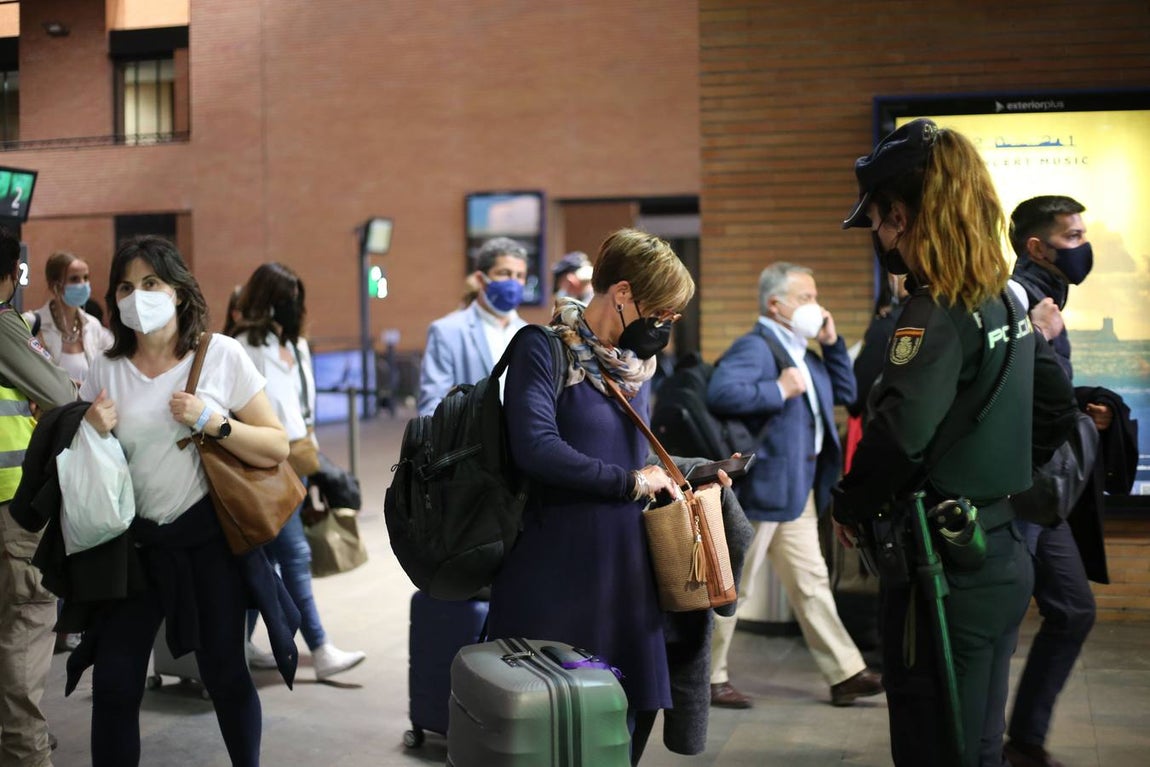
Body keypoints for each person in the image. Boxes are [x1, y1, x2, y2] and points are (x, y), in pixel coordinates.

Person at [832, 119, 1078, 767]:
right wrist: (990, 469)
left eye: (880, 221)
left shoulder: (933, 309)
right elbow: (1054, 405)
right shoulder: (1003, 298)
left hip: (941, 572)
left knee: (935, 745)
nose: (880, 237)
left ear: (903, 215)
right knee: (978, 741)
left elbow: (899, 434)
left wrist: (851, 503)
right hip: (996, 548)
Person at [77, 235, 301, 767]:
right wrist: (86, 427)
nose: (138, 295)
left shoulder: (219, 354)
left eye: (151, 283)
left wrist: (211, 420)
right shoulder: (106, 367)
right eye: (126, 286)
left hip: (208, 542)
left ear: (178, 291)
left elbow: (276, 445)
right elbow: (87, 457)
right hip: (133, 543)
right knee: (113, 682)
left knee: (225, 672)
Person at [487, 228, 694, 765]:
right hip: (558, 574)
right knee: (552, 724)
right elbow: (536, 448)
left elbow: (635, 460)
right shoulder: (544, 348)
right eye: (662, 313)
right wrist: (629, 483)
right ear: (622, 293)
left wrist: (685, 473)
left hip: (626, 572)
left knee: (625, 718)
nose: (665, 328)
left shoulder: (632, 366)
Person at [705, 262, 882, 710]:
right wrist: (776, 390)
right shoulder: (757, 347)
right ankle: (706, 677)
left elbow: (845, 393)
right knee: (735, 588)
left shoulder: (802, 350)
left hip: (797, 490)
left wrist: (832, 342)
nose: (815, 305)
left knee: (811, 582)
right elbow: (721, 392)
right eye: (805, 297)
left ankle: (846, 674)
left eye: (815, 296)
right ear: (775, 305)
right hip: (762, 491)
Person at [1004, 195, 1110, 767]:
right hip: (1018, 491)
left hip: (1048, 491)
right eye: (1072, 238)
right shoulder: (1018, 299)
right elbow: (991, 384)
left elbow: (1042, 391)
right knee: (999, 623)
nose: (1083, 247)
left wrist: (1082, 407)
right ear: (1037, 247)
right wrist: (1033, 335)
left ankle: (1025, 741)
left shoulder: (1049, 297)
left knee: (1073, 610)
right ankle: (980, 746)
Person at [230, 262, 366, 681]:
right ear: (264, 299)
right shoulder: (243, 345)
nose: (292, 306)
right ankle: (320, 648)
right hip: (264, 463)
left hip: (300, 460)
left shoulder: (298, 345)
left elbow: (301, 408)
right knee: (295, 553)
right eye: (284, 298)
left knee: (267, 559)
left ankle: (238, 648)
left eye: (296, 298)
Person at [0, 228, 77, 767]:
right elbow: (61, 394)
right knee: (26, 628)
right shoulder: (4, 326)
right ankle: (25, 755)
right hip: (11, 506)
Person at [416, 237, 529, 416]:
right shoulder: (447, 331)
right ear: (481, 279)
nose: (513, 283)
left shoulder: (528, 334)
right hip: (470, 441)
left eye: (520, 276)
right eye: (505, 273)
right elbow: (432, 405)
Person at [22, 250, 113, 385]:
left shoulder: (92, 325)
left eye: (86, 278)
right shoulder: (32, 323)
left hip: (89, 405)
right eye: (74, 279)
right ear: (55, 286)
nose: (83, 284)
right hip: (52, 406)